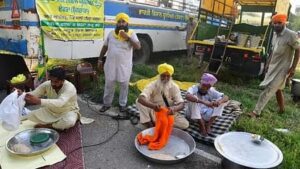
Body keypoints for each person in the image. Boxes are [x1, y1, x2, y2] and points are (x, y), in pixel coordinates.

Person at [248, 13, 300, 118]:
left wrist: (293, 68)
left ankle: (256, 112)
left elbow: (298, 50)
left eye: (279, 23)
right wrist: (267, 64)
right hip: (273, 66)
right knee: (278, 89)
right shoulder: (275, 34)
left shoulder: (291, 35)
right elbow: (273, 50)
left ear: (284, 23)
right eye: (274, 23)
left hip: (283, 68)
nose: (276, 25)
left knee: (269, 88)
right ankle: (282, 109)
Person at [98, 13, 141, 113]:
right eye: (119, 22)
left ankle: (122, 105)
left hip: (124, 66)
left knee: (124, 85)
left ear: (127, 23)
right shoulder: (111, 34)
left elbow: (138, 47)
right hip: (110, 65)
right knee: (109, 84)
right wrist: (100, 59)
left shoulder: (131, 33)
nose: (121, 24)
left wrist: (128, 37)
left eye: (123, 22)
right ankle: (107, 104)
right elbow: (105, 47)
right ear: (116, 23)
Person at [136, 63, 189, 129]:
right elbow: (141, 98)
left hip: (168, 112)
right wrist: (153, 106)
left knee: (185, 124)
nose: (165, 78)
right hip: (155, 111)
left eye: (168, 76)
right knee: (138, 101)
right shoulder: (153, 85)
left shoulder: (174, 87)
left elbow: (181, 104)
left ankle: (160, 125)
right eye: (163, 76)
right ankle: (149, 124)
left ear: (170, 77)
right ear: (159, 75)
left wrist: (174, 108)